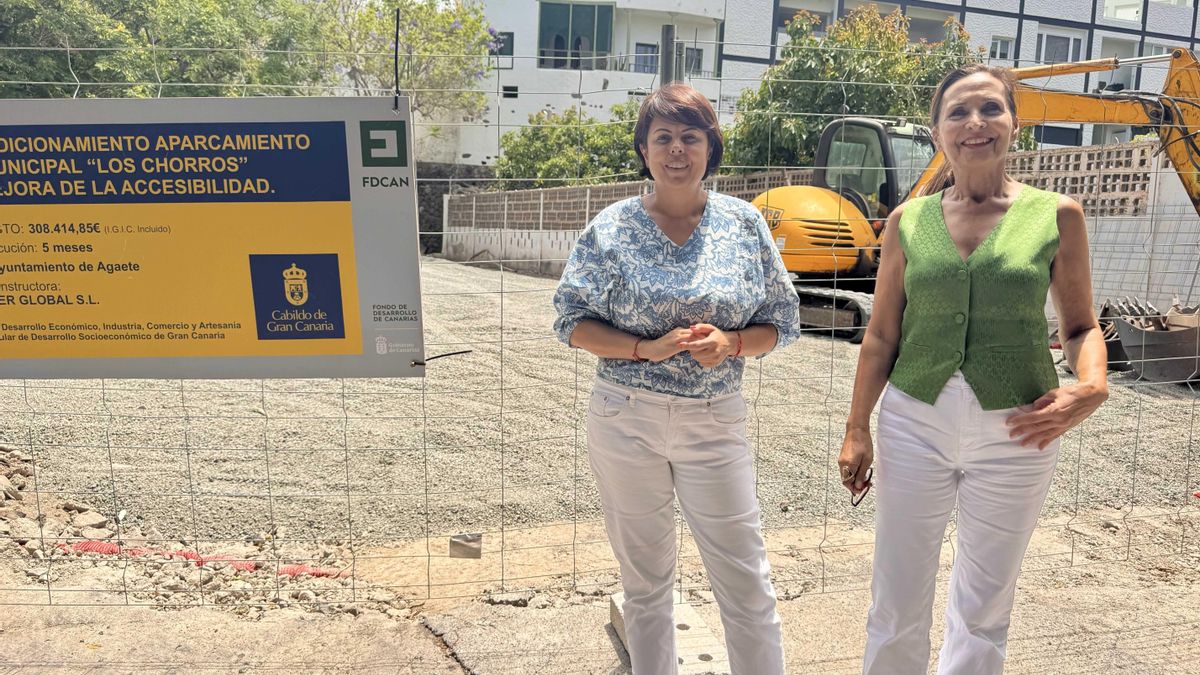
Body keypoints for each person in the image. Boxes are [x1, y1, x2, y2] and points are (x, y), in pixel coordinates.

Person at [837, 63, 1109, 674]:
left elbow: (1080, 327)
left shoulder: (1057, 214)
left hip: (1022, 428)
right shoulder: (907, 221)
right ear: (937, 131)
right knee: (898, 589)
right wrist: (857, 427)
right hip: (914, 422)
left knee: (985, 603)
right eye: (957, 112)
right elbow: (881, 333)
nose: (975, 123)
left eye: (991, 108)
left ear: (1015, 123)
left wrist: (1091, 384)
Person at [553, 83, 801, 674]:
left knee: (746, 579)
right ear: (643, 150)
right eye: (662, 137)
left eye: (691, 137)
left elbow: (784, 322)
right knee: (645, 580)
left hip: (714, 421)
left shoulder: (743, 225)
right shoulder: (611, 229)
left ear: (710, 148)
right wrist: (644, 347)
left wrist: (733, 342)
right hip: (626, 416)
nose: (676, 150)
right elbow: (571, 322)